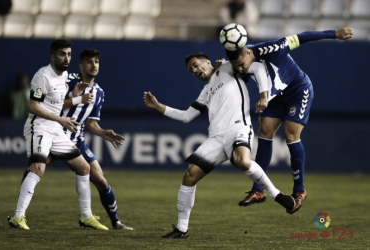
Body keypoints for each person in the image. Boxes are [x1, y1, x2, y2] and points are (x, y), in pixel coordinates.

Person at [143, 52, 297, 239]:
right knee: (189, 176)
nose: (194, 70)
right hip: (215, 138)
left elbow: (256, 67)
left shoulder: (226, 67)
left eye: (196, 64)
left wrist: (264, 96)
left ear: (207, 61)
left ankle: (276, 194)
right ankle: (182, 229)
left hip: (237, 128)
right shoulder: (206, 91)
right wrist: (158, 106)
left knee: (243, 161)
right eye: (191, 69)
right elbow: (186, 116)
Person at [223, 27, 354, 214]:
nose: (242, 69)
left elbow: (302, 37)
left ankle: (300, 191)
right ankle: (258, 190)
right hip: (275, 98)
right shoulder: (241, 59)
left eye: (243, 65)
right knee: (265, 132)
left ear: (249, 53)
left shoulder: (273, 48)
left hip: (298, 91)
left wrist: (334, 34)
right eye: (238, 68)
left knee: (290, 135)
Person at [8, 39, 108, 230]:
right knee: (38, 168)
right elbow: (34, 106)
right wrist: (61, 120)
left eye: (69, 54)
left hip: (55, 129)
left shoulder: (64, 77)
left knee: (84, 168)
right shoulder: (42, 76)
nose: (66, 58)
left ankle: (86, 216)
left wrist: (75, 97)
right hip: (39, 127)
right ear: (52, 56)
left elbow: (57, 102)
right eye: (62, 54)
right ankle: (18, 217)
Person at [60, 49, 133, 230]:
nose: (94, 65)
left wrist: (103, 133)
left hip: (76, 140)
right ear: (81, 65)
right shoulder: (66, 81)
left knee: (100, 180)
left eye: (97, 62)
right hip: (54, 134)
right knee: (38, 167)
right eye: (89, 62)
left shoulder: (99, 93)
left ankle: (116, 222)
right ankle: (18, 214)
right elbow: (50, 104)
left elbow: (91, 123)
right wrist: (77, 99)